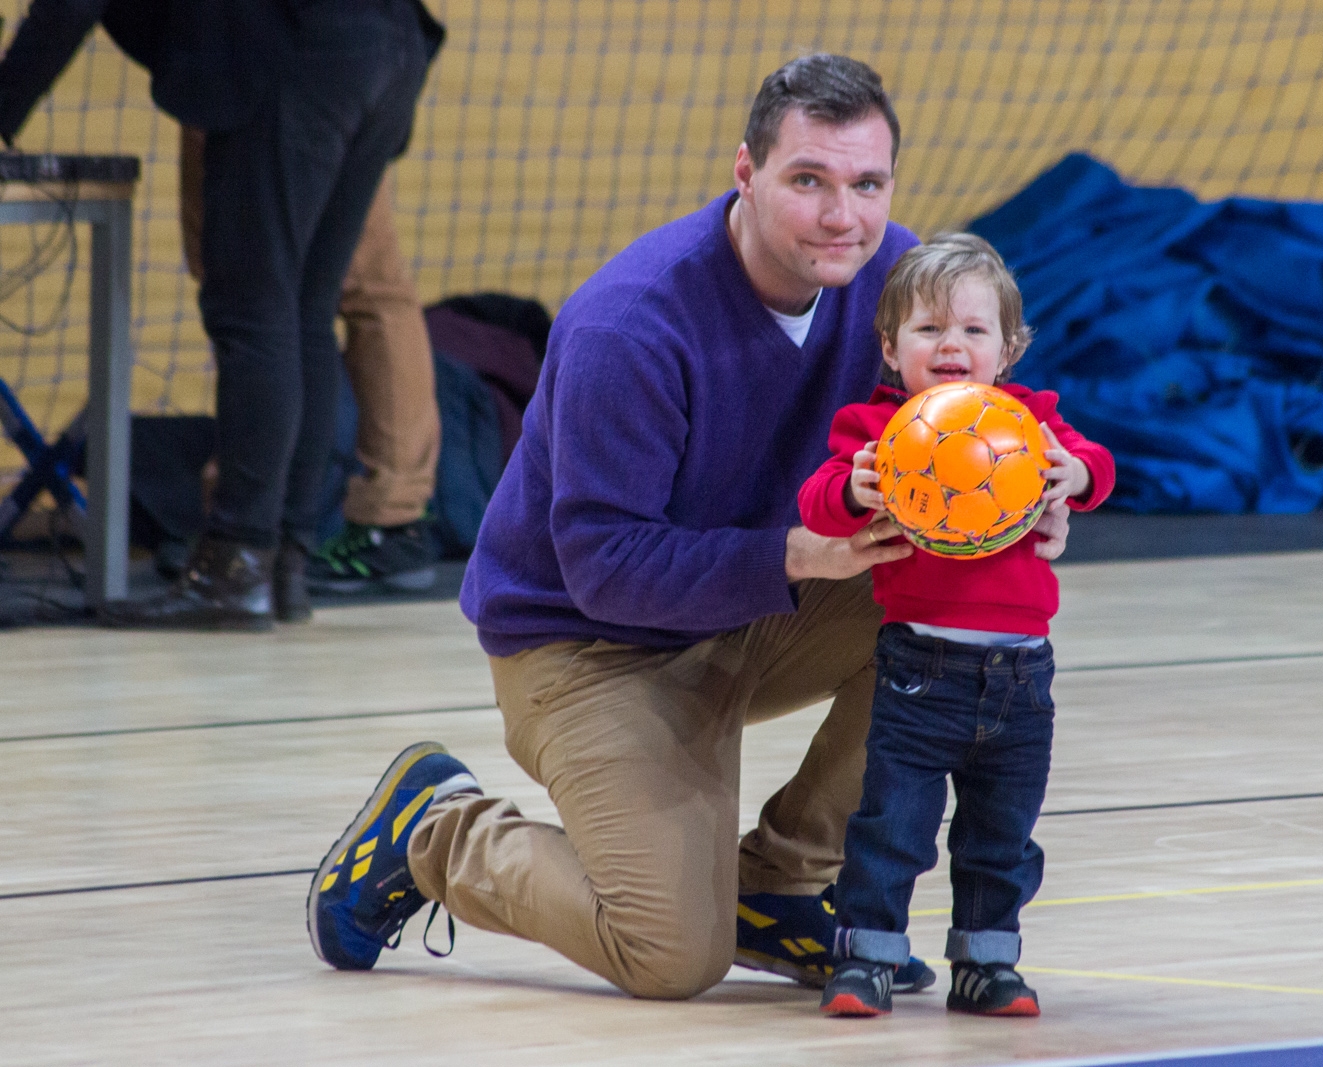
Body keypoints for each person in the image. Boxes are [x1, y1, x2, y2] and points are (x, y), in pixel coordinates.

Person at [307, 53, 1072, 1001]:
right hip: (588, 641)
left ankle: (782, 884)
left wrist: (1034, 503)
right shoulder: (630, 325)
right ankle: (437, 828)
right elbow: (604, 568)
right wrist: (791, 554)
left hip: (761, 595)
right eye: (809, 181)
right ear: (745, 175)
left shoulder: (895, 287)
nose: (844, 216)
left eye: (867, 183)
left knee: (967, 616)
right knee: (669, 953)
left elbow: (966, 444)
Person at [0, 0, 443, 630]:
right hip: (388, 47)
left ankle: (234, 565)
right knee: (305, 311)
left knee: (253, 312)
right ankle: (283, 562)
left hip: (295, 55)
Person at [798, 234, 1114, 1017]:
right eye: (929, 329)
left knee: (1000, 837)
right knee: (891, 826)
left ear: (1007, 349)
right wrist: (857, 489)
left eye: (973, 331)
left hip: (1020, 677)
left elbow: (1097, 465)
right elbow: (818, 498)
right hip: (918, 669)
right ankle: (867, 957)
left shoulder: (1029, 422)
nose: (950, 346)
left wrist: (1076, 474)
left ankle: (986, 962)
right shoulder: (877, 427)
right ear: (890, 345)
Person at [178, 129, 441, 597]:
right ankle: (264, 533)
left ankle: (270, 534)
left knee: (313, 292)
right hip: (305, 82)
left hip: (288, 83)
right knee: (260, 292)